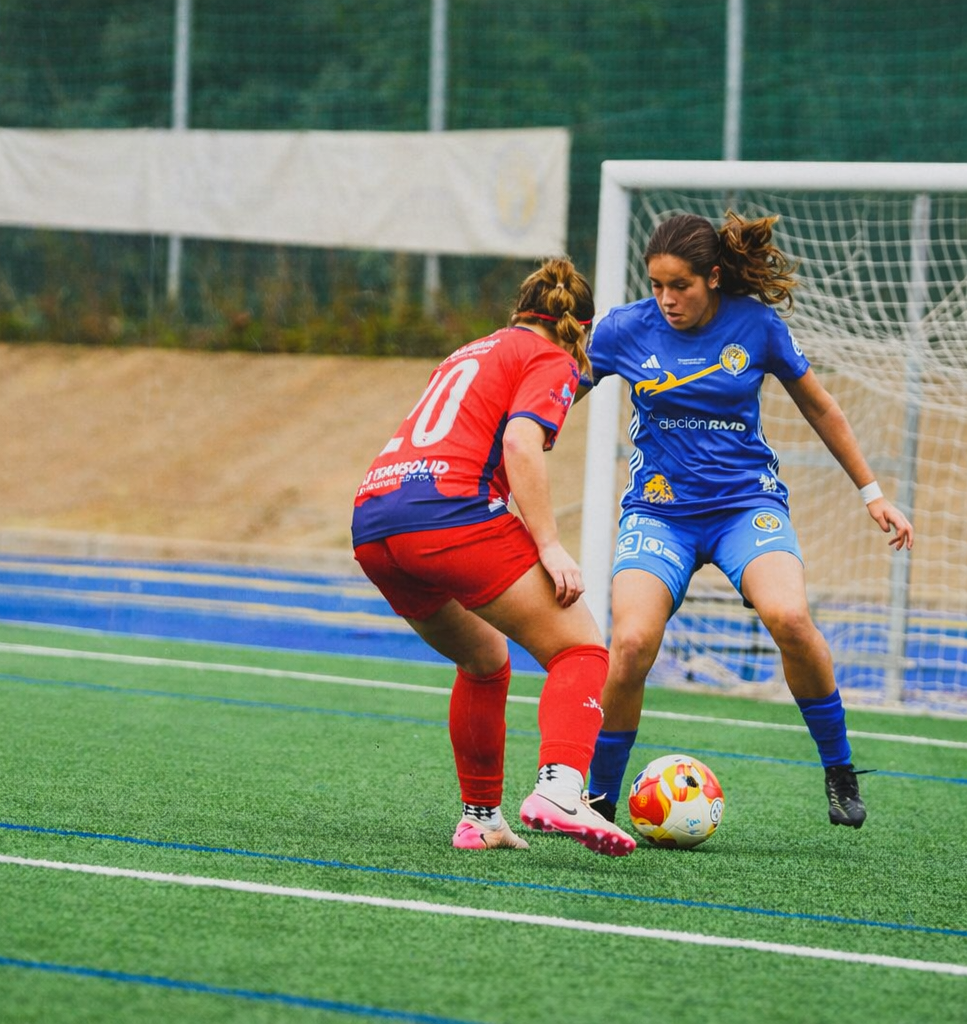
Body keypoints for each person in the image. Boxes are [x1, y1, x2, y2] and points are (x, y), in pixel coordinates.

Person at [580, 212, 913, 829]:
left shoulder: (756, 326)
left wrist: (872, 492)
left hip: (745, 506)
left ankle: (838, 769)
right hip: (659, 512)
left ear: (712, 278)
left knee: (789, 616)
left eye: (679, 285)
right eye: (655, 285)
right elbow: (557, 393)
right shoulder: (625, 329)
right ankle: (598, 799)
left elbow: (821, 405)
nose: (666, 299)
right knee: (628, 645)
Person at [352, 258, 637, 856]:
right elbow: (518, 442)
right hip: (447, 514)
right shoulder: (554, 356)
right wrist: (550, 545)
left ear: (517, 314)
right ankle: (560, 787)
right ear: (577, 331)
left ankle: (480, 820)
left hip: (375, 519)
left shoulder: (471, 350)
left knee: (485, 660)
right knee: (581, 649)